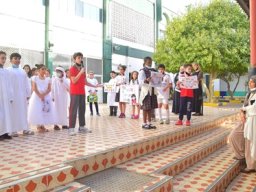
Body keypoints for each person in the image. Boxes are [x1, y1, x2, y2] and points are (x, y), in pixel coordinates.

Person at [69, 52, 99, 136]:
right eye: (78, 58)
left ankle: (81, 127)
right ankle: (71, 128)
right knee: (73, 110)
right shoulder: (72, 69)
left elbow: (85, 82)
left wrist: (95, 85)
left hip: (82, 92)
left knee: (82, 110)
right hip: (74, 92)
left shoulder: (82, 69)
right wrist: (80, 72)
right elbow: (74, 81)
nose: (80, 59)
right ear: (74, 59)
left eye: (81, 58)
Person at [8, 53, 34, 136]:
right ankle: (13, 130)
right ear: (11, 60)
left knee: (23, 112)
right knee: (13, 112)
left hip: (22, 96)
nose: (17, 60)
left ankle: (25, 129)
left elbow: (26, 83)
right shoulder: (8, 70)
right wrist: (9, 95)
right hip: (13, 96)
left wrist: (28, 94)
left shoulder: (22, 71)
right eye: (15, 58)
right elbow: (7, 84)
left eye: (19, 59)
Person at [28, 64, 55, 132]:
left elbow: (49, 89)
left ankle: (42, 125)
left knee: (44, 110)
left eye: (45, 69)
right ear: (38, 70)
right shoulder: (35, 78)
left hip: (46, 96)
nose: (44, 71)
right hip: (37, 96)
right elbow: (34, 88)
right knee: (38, 110)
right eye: (42, 69)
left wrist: (44, 95)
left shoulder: (48, 79)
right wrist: (40, 95)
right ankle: (39, 126)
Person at [241, 76, 256, 173]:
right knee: (248, 141)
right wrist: (242, 110)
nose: (250, 83)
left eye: (252, 82)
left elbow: (253, 107)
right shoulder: (249, 93)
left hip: (253, 119)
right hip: (249, 119)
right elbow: (245, 105)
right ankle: (250, 164)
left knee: (252, 142)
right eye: (249, 82)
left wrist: (244, 109)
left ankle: (251, 166)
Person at [138, 57, 158, 129]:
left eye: (151, 61)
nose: (150, 62)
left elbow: (157, 80)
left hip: (152, 90)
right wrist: (146, 80)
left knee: (150, 107)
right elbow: (140, 82)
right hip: (146, 91)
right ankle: (144, 123)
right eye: (148, 61)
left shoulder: (154, 70)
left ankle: (149, 122)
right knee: (145, 107)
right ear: (145, 62)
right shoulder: (142, 71)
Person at [0, 51, 13, 140]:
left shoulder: (6, 71)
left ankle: (5, 132)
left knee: (6, 114)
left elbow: (9, 85)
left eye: (5, 58)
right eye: (2, 58)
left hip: (5, 96)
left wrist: (11, 96)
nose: (4, 60)